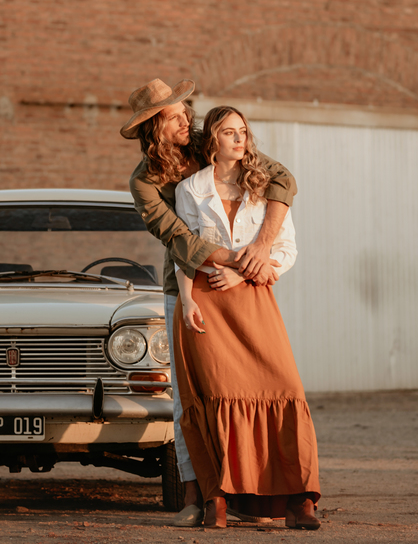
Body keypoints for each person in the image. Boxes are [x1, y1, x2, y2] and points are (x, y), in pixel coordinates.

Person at [121, 79, 297, 528]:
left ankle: (250, 493)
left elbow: (281, 180)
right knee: (188, 398)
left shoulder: (211, 143)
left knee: (252, 385)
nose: (187, 120)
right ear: (154, 126)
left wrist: (260, 248)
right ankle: (197, 496)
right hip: (184, 288)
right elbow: (177, 237)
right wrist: (239, 259)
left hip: (241, 281)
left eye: (186, 112)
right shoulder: (144, 182)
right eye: (177, 116)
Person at [173, 105, 321, 530]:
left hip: (254, 296)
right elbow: (183, 251)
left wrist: (242, 274)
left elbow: (286, 251)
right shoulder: (190, 189)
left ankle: (299, 498)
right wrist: (188, 301)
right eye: (229, 132)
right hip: (207, 301)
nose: (240, 139)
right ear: (211, 141)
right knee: (218, 396)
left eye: (243, 132)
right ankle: (216, 499)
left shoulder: (265, 186)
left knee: (285, 386)